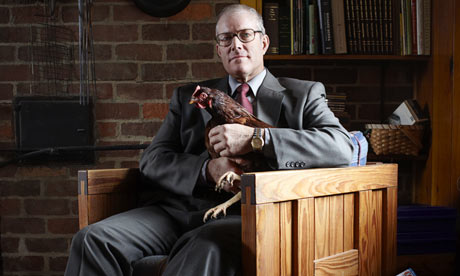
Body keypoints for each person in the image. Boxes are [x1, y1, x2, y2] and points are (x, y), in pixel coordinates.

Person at [65, 4, 353, 276]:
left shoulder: (302, 95)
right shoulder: (188, 97)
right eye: (226, 38)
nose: (236, 44)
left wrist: (257, 139)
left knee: (204, 243)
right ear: (219, 50)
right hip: (179, 211)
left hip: (250, 216)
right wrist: (206, 171)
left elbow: (342, 147)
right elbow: (152, 160)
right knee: (94, 239)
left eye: (245, 35)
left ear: (263, 43)